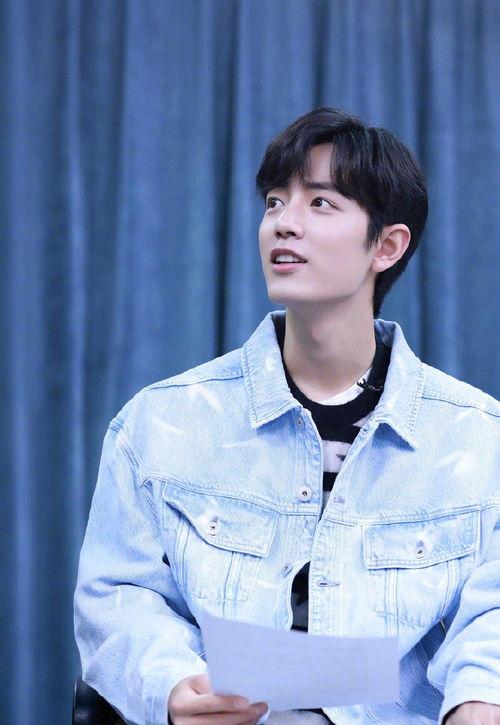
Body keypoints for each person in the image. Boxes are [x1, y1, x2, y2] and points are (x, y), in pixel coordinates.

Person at [74, 107, 500, 725]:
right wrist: (172, 685)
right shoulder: (160, 423)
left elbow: (491, 614)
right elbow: (117, 595)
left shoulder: (478, 438)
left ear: (387, 246)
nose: (284, 224)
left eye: (320, 203)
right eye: (275, 202)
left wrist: (480, 698)